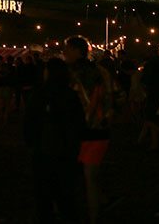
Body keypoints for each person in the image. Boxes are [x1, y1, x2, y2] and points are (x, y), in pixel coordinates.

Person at [24, 57, 84, 223]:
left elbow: (28, 123)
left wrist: (32, 143)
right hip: (67, 152)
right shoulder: (71, 96)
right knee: (66, 197)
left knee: (43, 198)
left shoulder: (39, 95)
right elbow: (79, 123)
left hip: (42, 152)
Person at [63, 36, 117, 224]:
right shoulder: (102, 71)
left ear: (77, 51)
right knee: (92, 175)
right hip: (100, 129)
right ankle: (95, 213)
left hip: (77, 130)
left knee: (73, 176)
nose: (64, 53)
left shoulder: (69, 74)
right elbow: (113, 97)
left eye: (67, 49)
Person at [137, 46, 159, 151]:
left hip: (152, 93)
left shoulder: (150, 65)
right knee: (156, 119)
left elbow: (145, 81)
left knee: (149, 118)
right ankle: (154, 144)